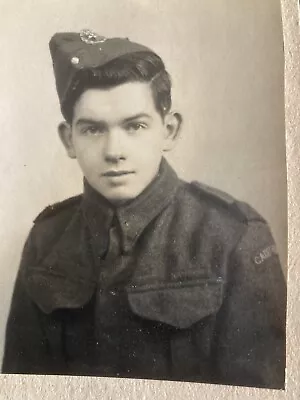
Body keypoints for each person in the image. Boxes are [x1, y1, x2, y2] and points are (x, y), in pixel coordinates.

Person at [2, 29, 286, 389]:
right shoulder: (47, 237)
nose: (113, 150)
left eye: (135, 126)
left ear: (169, 130)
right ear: (68, 138)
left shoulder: (232, 237)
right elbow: (21, 386)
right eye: (92, 129)